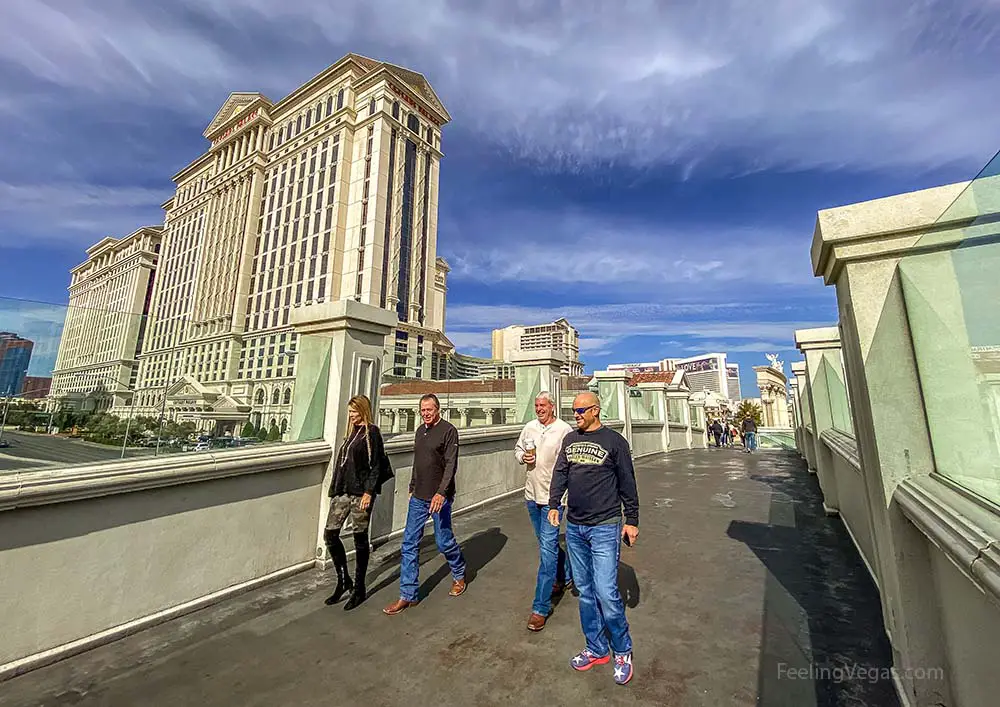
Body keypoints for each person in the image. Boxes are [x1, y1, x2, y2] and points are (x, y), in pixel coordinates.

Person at [548, 391, 639, 686]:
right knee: (585, 592)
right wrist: (553, 504)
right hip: (575, 526)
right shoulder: (570, 440)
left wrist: (632, 521)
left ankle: (623, 650)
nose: (576, 415)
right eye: (573, 410)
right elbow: (560, 473)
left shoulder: (615, 442)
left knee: (606, 591)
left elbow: (627, 481)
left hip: (605, 525)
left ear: (596, 411)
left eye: (581, 410)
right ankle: (597, 648)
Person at [384, 393, 467, 615]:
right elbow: (418, 462)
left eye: (429, 410)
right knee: (409, 543)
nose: (426, 414)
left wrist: (441, 493)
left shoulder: (448, 431)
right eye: (423, 410)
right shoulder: (420, 431)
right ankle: (407, 595)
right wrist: (412, 486)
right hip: (419, 496)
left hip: (440, 497)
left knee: (443, 541)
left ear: (438, 410)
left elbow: (451, 464)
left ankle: (459, 573)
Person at [324, 394, 392, 611]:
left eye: (355, 411)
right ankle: (344, 580)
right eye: (350, 412)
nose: (352, 416)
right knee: (331, 534)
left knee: (359, 538)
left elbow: (376, 465)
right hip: (343, 492)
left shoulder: (371, 432)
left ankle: (359, 587)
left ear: (363, 410)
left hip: (361, 493)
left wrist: (369, 492)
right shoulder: (351, 433)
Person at [514, 391, 574, 632]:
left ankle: (540, 607)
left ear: (552, 406)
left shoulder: (564, 430)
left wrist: (566, 496)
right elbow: (517, 450)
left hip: (554, 501)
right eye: (537, 405)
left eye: (543, 405)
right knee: (545, 544)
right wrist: (522, 457)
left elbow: (572, 463)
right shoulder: (529, 428)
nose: (539, 409)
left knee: (547, 551)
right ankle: (566, 573)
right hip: (532, 496)